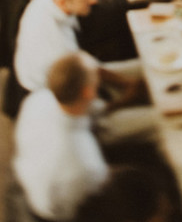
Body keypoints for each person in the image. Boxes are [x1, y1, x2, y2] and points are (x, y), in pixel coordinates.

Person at [15, 0, 156, 142]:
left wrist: (125, 82)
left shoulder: (45, 2)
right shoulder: (57, 52)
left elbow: (88, 66)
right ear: (62, 1)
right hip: (71, 115)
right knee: (160, 119)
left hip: (82, 79)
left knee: (151, 63)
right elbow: (90, 111)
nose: (94, 0)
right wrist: (128, 98)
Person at [13, 52, 110, 221]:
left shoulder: (37, 100)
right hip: (53, 214)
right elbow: (79, 211)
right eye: (96, 80)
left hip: (27, 182)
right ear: (88, 92)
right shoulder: (86, 166)